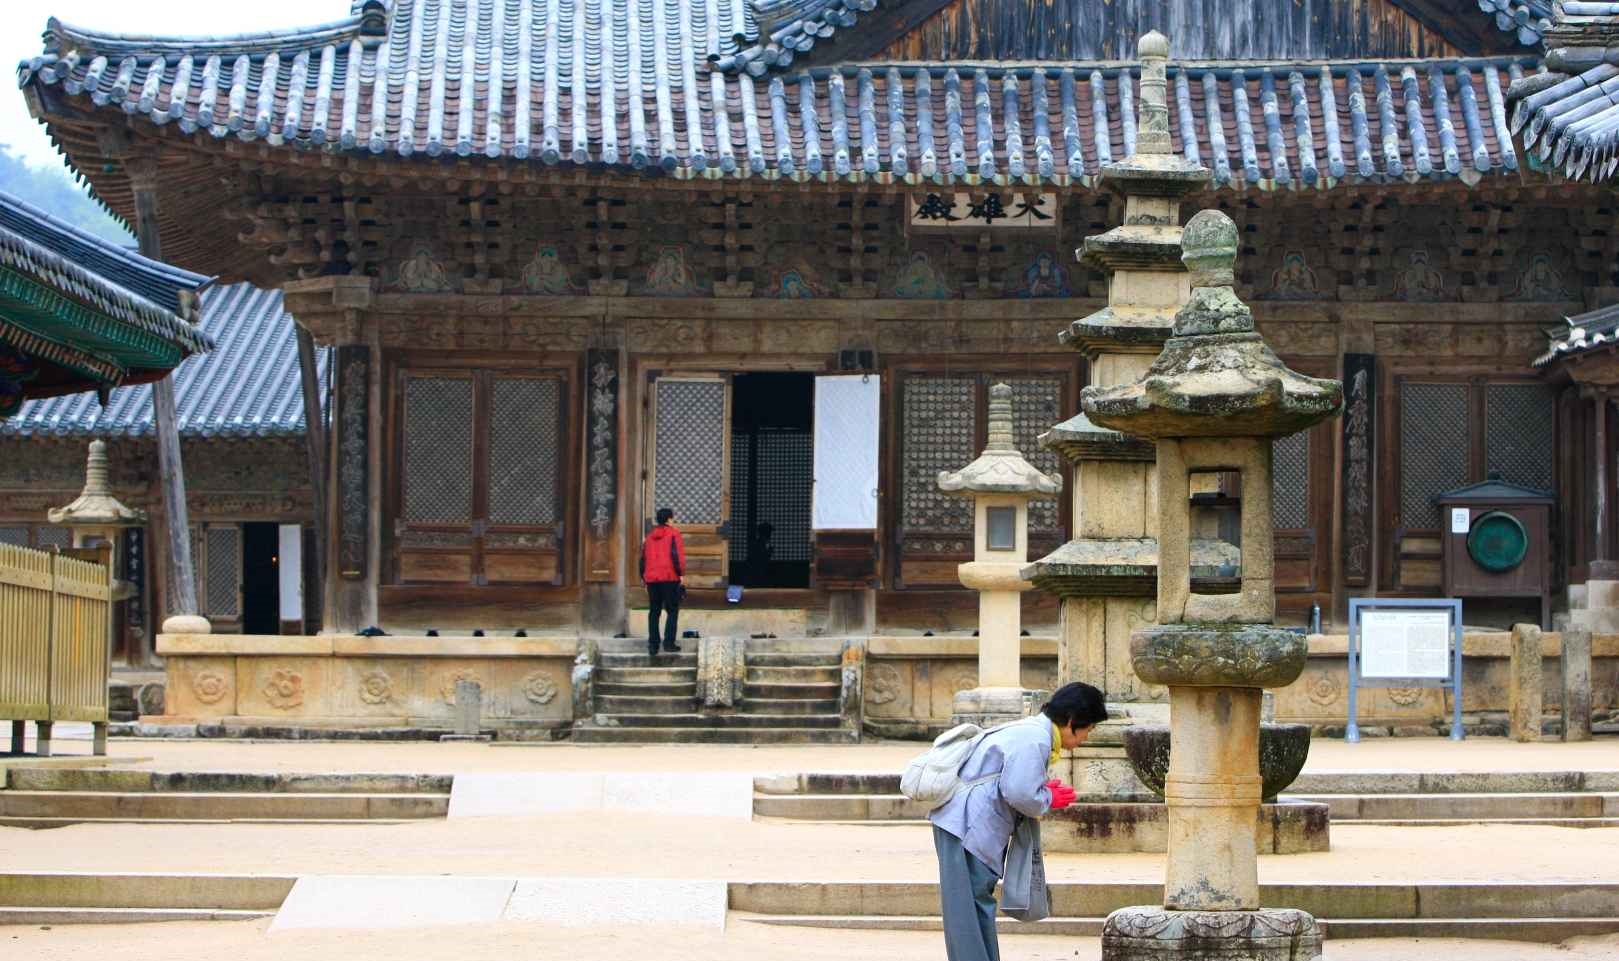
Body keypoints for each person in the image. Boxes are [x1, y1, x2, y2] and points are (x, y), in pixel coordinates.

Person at [930, 682, 1108, 961]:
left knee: (975, 905)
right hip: (966, 826)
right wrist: (1047, 797)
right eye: (1089, 729)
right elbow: (1019, 793)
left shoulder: (1033, 732)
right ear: (1072, 721)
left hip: (966, 825)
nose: (1086, 737)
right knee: (969, 911)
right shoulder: (1036, 738)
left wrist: (1042, 791)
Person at [640, 507, 686, 657]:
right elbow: (677, 556)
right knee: (672, 610)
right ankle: (669, 643)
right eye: (672, 518)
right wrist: (681, 574)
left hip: (652, 579)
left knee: (654, 611)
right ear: (668, 519)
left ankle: (653, 645)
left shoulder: (649, 537)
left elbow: (643, 559)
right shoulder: (674, 534)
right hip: (669, 577)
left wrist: (644, 579)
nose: (673, 520)